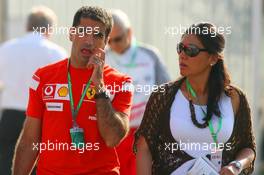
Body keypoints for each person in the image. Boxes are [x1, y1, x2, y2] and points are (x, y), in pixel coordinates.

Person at [12, 6, 133, 175]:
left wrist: (99, 86)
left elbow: (112, 138)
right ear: (71, 34)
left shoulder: (121, 83)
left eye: (97, 35)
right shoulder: (43, 77)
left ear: (106, 42)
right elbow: (29, 139)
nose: (89, 41)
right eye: (83, 31)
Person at [134, 22, 256, 175]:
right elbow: (144, 148)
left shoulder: (234, 98)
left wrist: (236, 166)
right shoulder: (163, 96)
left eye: (191, 50)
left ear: (212, 58)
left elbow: (247, 147)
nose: (182, 55)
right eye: (180, 48)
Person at [0, 6, 67, 174]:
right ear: (49, 29)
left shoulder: (6, 48)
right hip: (41, 118)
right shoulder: (57, 53)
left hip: (10, 115)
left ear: (27, 26)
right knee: (38, 162)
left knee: (5, 162)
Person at [105, 9, 170, 175]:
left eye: (117, 39)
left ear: (129, 32)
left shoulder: (149, 55)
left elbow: (167, 91)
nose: (113, 45)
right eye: (108, 40)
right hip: (115, 132)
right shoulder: (103, 58)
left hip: (144, 132)